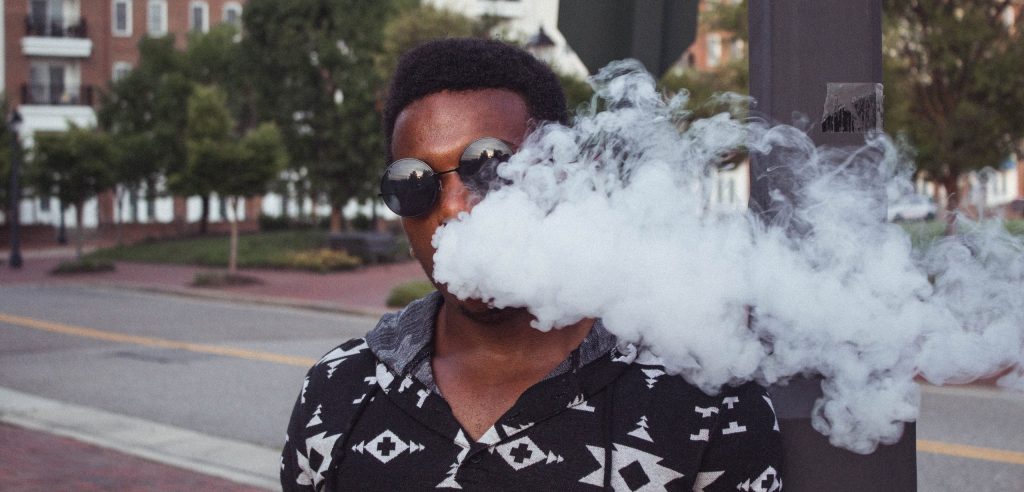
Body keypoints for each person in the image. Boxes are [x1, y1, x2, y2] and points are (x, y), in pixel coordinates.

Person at [281, 38, 783, 491]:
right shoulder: (339, 389)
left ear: (561, 174)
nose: (453, 207)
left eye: (489, 164)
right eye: (414, 181)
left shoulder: (705, 399)